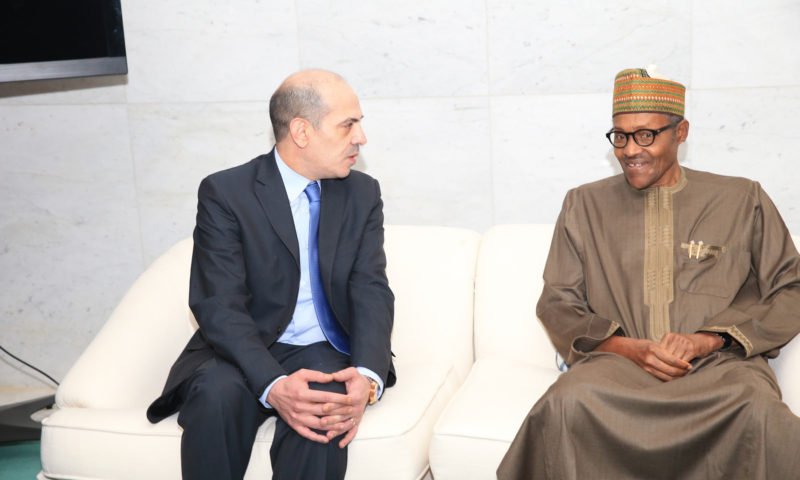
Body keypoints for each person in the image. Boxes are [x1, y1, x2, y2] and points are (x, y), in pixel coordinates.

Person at [497, 67, 800, 479]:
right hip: (617, 368)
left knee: (760, 408)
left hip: (718, 370)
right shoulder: (583, 205)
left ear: (681, 132)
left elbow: (791, 288)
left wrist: (708, 340)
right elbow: (558, 302)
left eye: (645, 134)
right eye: (620, 136)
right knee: (567, 401)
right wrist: (629, 348)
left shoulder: (742, 198)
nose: (629, 150)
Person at [146, 69, 395, 480]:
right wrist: (273, 383)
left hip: (323, 347)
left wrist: (368, 375)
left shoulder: (362, 194)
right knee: (214, 398)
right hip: (244, 346)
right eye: (348, 125)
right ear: (301, 131)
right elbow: (217, 303)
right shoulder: (226, 193)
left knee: (323, 411)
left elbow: (371, 288)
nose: (360, 138)